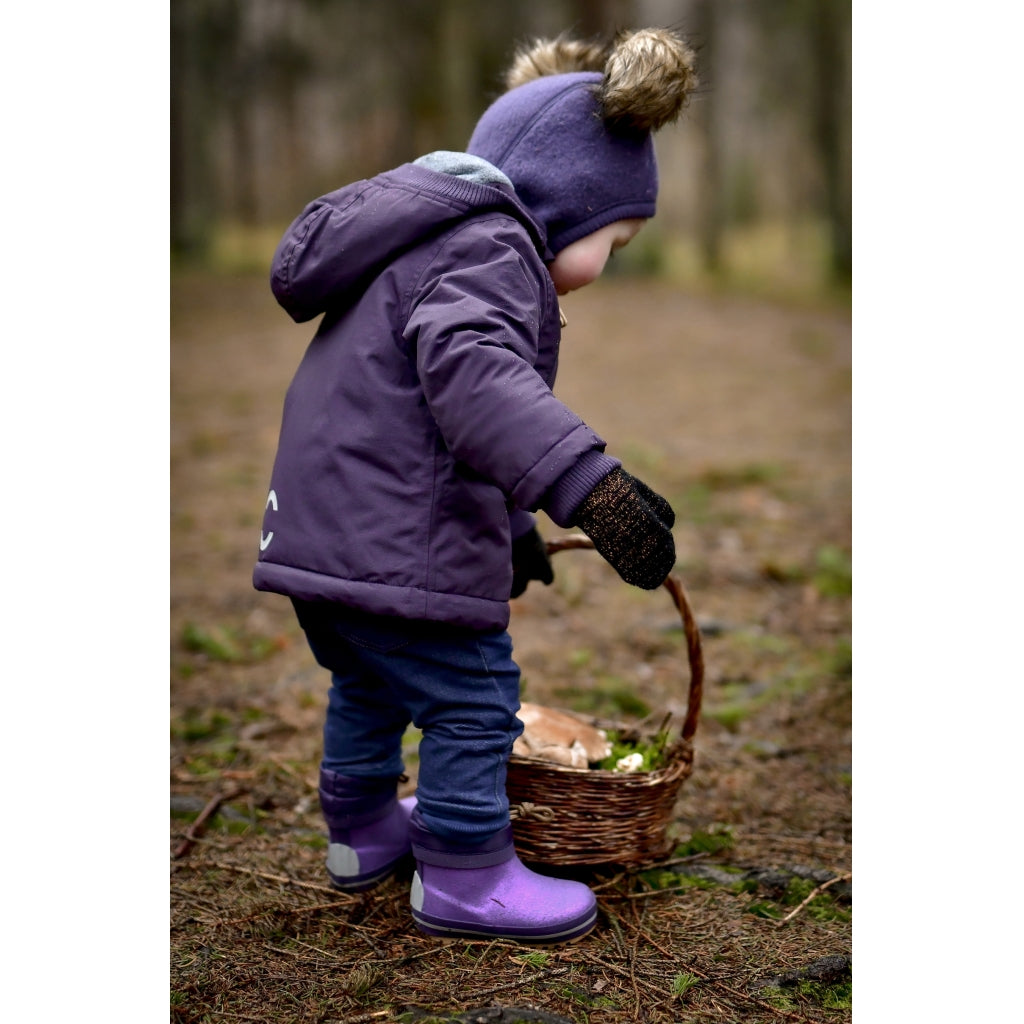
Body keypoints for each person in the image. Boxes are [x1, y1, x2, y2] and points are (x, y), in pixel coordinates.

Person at [254, 27, 697, 944]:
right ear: (568, 202)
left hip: (324, 541)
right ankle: (464, 871)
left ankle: (363, 837)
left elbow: (424, 426)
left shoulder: (433, 246)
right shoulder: (493, 249)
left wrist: (511, 530)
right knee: (472, 699)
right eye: (617, 238)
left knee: (371, 681)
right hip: (385, 544)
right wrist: (591, 486)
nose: (611, 264)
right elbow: (478, 387)